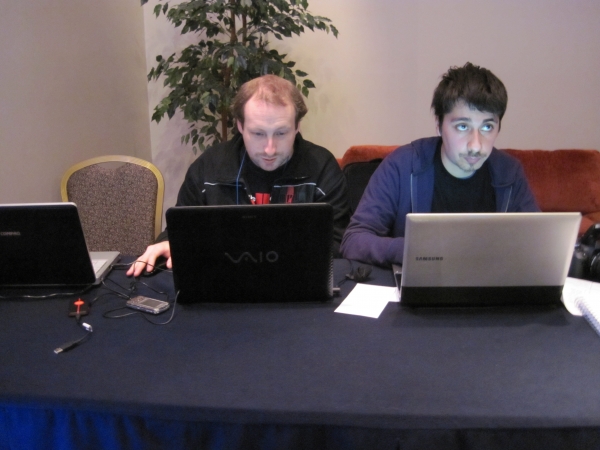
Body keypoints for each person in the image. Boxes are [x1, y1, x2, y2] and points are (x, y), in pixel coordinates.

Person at [128, 74, 350, 277]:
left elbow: (338, 244)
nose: (269, 149)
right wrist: (169, 242)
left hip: (298, 283)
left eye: (281, 133)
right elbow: (182, 230)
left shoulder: (321, 167)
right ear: (240, 126)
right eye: (258, 133)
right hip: (221, 283)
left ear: (297, 126)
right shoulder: (209, 167)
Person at [340, 62, 539, 267]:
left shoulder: (509, 172)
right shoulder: (402, 165)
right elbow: (354, 240)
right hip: (420, 282)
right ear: (438, 125)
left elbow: (539, 244)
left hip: (490, 284)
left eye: (487, 127)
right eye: (462, 126)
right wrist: (415, 251)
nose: (476, 145)